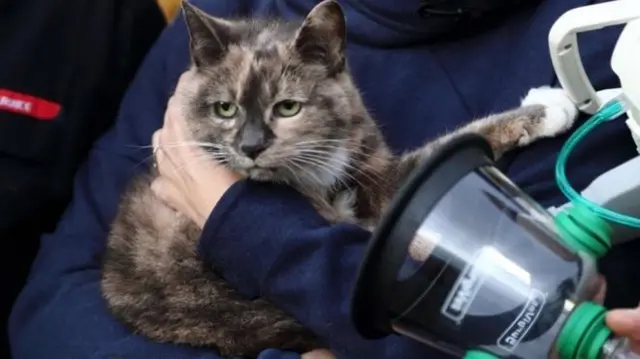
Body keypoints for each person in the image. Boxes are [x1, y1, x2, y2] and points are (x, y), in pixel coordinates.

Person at [8, 0, 640, 358]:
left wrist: (239, 219)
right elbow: (53, 304)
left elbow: (504, 332)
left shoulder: (599, 48)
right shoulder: (229, 16)